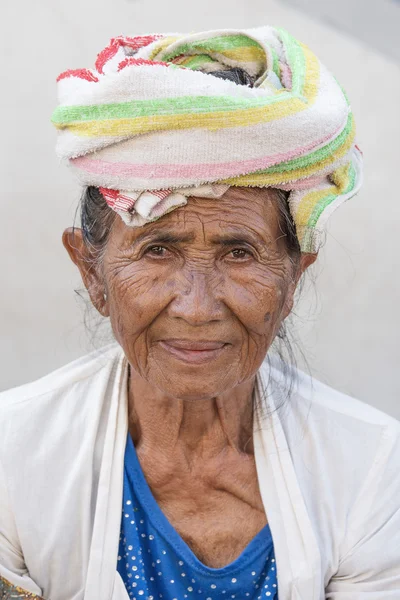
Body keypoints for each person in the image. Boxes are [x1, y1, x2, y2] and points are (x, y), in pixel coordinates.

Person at [0, 26, 399, 600]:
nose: (195, 306)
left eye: (240, 254)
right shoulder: (14, 456)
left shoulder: (371, 469)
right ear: (92, 273)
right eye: (157, 250)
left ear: (292, 280)